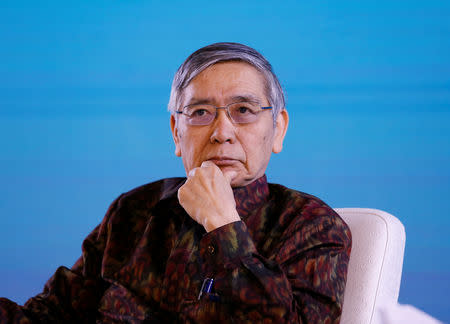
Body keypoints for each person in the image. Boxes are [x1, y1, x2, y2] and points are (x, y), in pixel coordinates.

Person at [0, 42, 351, 323]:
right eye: (200, 113)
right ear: (176, 134)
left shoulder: (313, 227)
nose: (221, 132)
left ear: (278, 130)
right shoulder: (133, 212)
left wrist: (223, 225)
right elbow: (49, 315)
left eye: (243, 110)